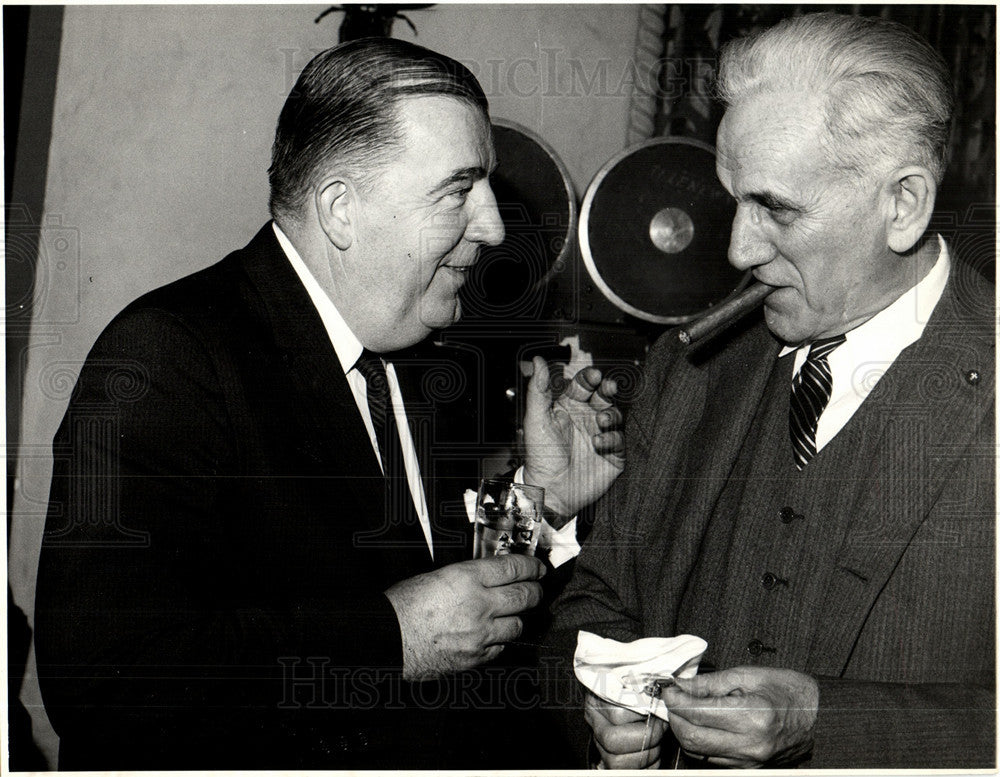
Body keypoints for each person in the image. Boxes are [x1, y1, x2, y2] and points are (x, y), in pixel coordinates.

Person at [33, 38, 624, 770]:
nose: (494, 226)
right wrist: (388, 640)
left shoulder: (413, 359)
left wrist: (540, 505)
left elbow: (456, 622)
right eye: (458, 191)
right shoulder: (167, 357)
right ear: (342, 210)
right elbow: (104, 683)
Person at [547, 12, 994, 770]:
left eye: (776, 209)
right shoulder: (688, 370)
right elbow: (596, 600)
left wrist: (828, 721)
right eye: (734, 200)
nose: (738, 248)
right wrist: (600, 703)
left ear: (904, 203)